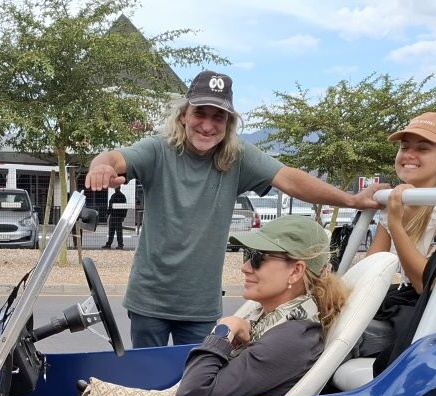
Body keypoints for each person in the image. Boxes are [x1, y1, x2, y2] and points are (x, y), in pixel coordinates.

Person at [85, 69, 384, 348]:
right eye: (200, 113)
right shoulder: (158, 149)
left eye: (219, 117)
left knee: (195, 384)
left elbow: (290, 179)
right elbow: (114, 158)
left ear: (228, 123)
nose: (207, 124)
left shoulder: (237, 156)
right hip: (148, 300)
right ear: (184, 115)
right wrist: (100, 167)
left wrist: (352, 200)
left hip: (200, 306)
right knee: (148, 383)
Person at [75, 216, 348, 396]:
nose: (245, 267)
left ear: (296, 271)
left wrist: (225, 329)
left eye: (258, 258)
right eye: (246, 255)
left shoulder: (292, 338)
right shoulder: (270, 320)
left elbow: (194, 390)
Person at [355, 112, 436, 358]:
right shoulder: (396, 202)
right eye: (405, 147)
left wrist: (396, 223)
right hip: (413, 303)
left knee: (347, 340)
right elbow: (372, 269)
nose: (409, 155)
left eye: (423, 149)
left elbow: (426, 284)